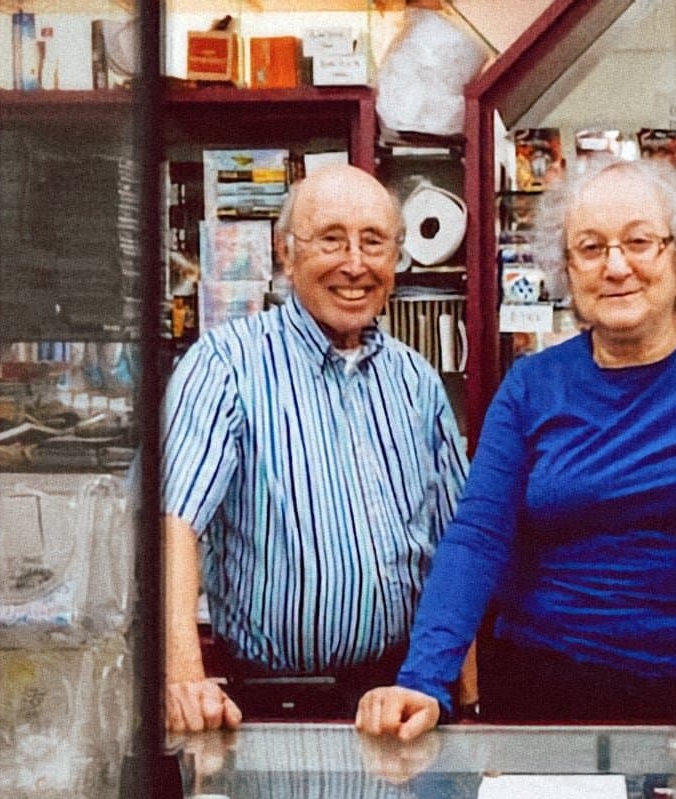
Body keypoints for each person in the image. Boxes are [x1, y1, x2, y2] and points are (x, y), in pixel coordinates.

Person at [357, 159, 676, 740]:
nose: (616, 266)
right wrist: (424, 679)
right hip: (542, 688)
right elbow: (478, 535)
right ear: (567, 269)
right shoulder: (531, 384)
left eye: (639, 242)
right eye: (591, 248)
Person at [163, 164, 468, 732]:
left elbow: (461, 547)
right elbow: (175, 522)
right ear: (287, 253)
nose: (355, 264)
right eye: (331, 239)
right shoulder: (226, 364)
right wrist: (183, 674)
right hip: (271, 704)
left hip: (400, 698)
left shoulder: (417, 381)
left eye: (374, 242)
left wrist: (467, 700)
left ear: (396, 260)